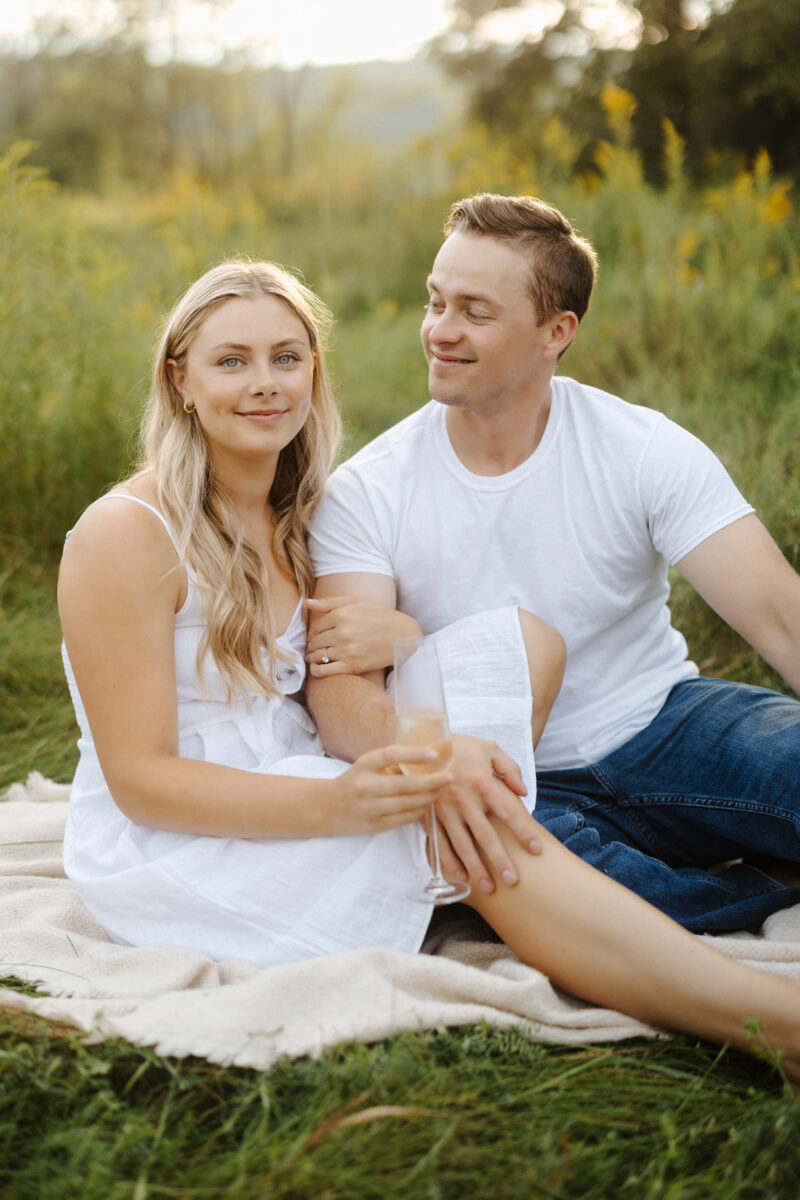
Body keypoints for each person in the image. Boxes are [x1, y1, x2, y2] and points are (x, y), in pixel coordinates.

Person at [58, 257, 800, 1081]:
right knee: (461, 827)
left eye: (287, 357)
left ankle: (595, 886)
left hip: (303, 769)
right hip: (183, 833)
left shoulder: (294, 517)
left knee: (511, 675)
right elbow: (140, 781)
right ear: (180, 380)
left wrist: (403, 636)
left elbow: (326, 666)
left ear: (313, 372)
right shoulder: (124, 534)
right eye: (231, 361)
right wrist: (341, 801)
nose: (264, 384)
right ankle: (769, 1021)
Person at [305, 192, 800, 934]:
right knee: (522, 869)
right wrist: (435, 757)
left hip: (667, 723)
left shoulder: (639, 448)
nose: (439, 331)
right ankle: (750, 902)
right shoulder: (368, 492)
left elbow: (781, 619)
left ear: (554, 332)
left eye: (474, 311)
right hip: (514, 774)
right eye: (436, 302)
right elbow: (339, 693)